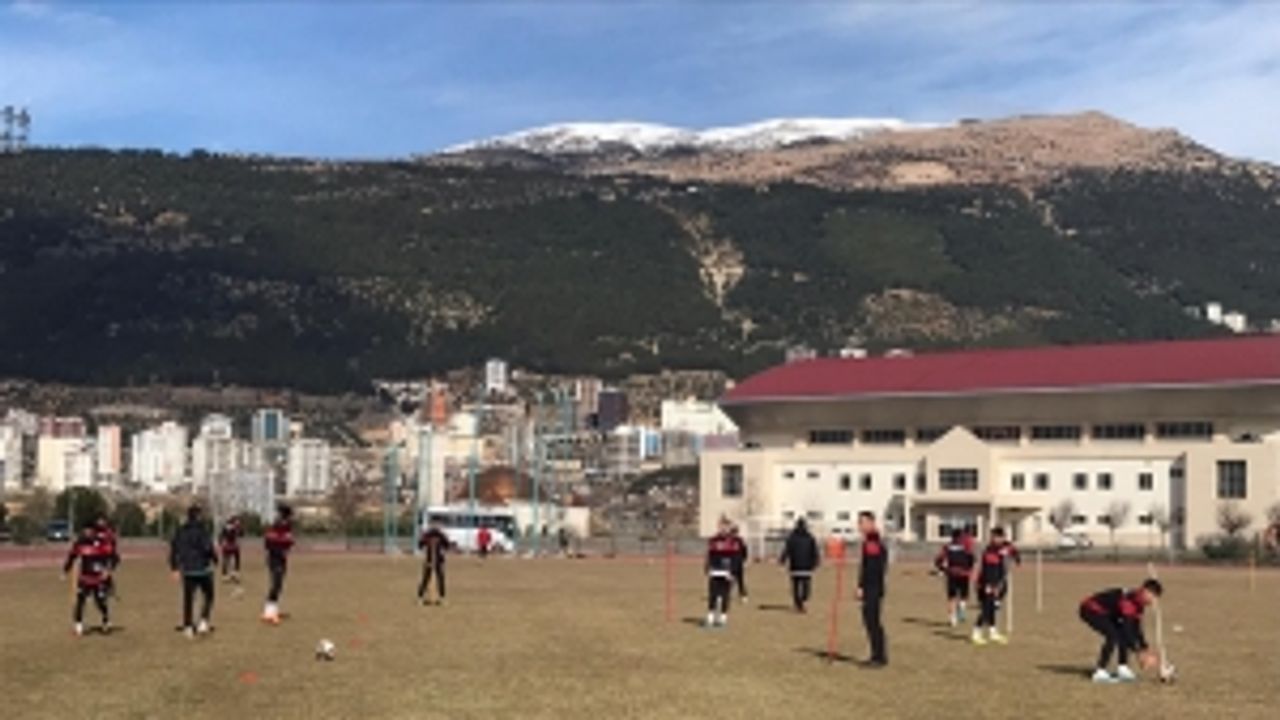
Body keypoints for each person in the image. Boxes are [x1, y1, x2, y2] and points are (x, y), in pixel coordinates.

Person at [1079, 579, 1163, 683]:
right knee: (1113, 635)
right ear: (1145, 591)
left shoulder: (1139, 602)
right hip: (1090, 609)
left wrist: (1145, 647)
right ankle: (1100, 671)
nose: (1153, 601)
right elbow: (1128, 630)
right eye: (1153, 596)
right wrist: (1139, 653)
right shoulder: (1128, 601)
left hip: (1107, 613)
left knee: (1121, 633)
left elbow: (1136, 627)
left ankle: (1123, 668)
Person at [170, 506, 218, 638]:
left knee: (188, 598)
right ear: (198, 516)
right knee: (209, 595)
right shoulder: (203, 530)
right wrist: (215, 559)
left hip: (187, 569)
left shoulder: (181, 531)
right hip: (202, 569)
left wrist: (174, 568)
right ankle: (203, 621)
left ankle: (188, 626)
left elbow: (174, 549)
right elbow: (208, 547)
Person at [62, 522, 118, 636]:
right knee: (80, 601)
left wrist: (108, 570)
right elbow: (72, 557)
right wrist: (65, 571)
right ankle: (78, 625)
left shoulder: (102, 543)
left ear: (94, 531)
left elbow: (114, 558)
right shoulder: (80, 543)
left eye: (89, 530)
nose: (87, 533)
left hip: (99, 578)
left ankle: (105, 620)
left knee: (100, 601)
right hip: (84, 578)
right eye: (85, 530)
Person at [972, 527, 1013, 645]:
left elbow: (1003, 568)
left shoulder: (1002, 550)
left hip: (997, 583)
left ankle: (993, 632)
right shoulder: (988, 551)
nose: (998, 540)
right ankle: (976, 631)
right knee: (986, 608)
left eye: (1000, 537)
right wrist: (988, 585)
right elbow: (986, 570)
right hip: (986, 583)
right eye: (995, 537)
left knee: (992, 609)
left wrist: (1000, 584)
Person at [856, 511, 887, 666]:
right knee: (870, 620)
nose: (859, 526)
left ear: (871, 523)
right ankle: (877, 654)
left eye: (862, 522)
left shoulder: (872, 543)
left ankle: (878, 656)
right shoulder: (869, 541)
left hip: (872, 587)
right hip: (873, 587)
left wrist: (862, 586)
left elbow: (871, 568)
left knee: (872, 621)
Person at [262, 504, 295, 625]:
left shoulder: (287, 527)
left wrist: (286, 544)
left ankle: (273, 610)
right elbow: (268, 542)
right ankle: (268, 613)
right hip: (274, 558)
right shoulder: (276, 525)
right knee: (276, 584)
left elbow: (290, 542)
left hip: (282, 558)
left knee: (279, 585)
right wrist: (281, 546)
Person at [935, 529, 975, 626]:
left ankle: (953, 617)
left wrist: (942, 569)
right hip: (962, 574)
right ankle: (959, 610)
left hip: (953, 574)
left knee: (952, 597)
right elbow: (971, 559)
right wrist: (969, 568)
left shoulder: (948, 547)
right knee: (961, 596)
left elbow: (938, 560)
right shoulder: (965, 547)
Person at [779, 518, 820, 613]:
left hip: (795, 566)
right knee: (806, 586)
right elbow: (814, 551)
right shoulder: (810, 537)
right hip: (806, 566)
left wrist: (782, 560)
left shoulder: (792, 537)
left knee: (796, 586)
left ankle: (798, 603)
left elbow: (787, 550)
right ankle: (802, 601)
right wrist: (816, 561)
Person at [704, 518, 738, 628]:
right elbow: (709, 555)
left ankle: (723, 618)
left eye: (725, 527)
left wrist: (733, 572)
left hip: (727, 572)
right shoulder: (713, 540)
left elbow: (735, 558)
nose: (723, 529)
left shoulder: (733, 541)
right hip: (715, 571)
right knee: (713, 595)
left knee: (725, 596)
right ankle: (710, 617)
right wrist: (707, 567)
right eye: (721, 526)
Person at [417, 521, 451, 605]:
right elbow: (420, 545)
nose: (436, 526)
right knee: (426, 578)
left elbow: (447, 545)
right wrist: (423, 541)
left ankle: (442, 597)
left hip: (439, 560)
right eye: (434, 524)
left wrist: (444, 545)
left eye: (437, 524)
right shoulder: (427, 535)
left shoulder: (441, 535)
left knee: (440, 579)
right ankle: (421, 597)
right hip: (429, 560)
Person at [95, 515, 120, 600]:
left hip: (110, 557)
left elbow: (112, 544)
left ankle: (103, 591)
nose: (100, 522)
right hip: (100, 557)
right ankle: (109, 590)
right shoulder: (96, 531)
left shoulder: (108, 532)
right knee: (102, 574)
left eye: (101, 521)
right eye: (99, 521)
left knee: (104, 574)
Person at [219, 516, 243, 582]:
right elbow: (240, 534)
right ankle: (232, 574)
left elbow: (241, 533)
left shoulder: (229, 527)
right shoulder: (233, 527)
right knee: (234, 559)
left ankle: (228, 575)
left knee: (228, 560)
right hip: (231, 545)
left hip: (229, 545)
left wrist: (221, 543)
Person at [730, 524, 749, 605]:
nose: (734, 533)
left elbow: (745, 551)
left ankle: (743, 595)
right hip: (732, 563)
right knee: (731, 580)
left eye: (735, 532)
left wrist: (745, 561)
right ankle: (730, 594)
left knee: (740, 580)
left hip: (738, 563)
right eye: (733, 532)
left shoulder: (740, 540)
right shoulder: (729, 540)